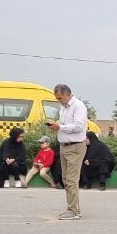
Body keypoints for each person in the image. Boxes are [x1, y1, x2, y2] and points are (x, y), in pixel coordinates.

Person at [48, 84, 88, 219]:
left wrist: (60, 127)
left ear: (68, 94)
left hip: (75, 146)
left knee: (71, 180)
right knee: (66, 179)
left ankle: (73, 211)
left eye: (60, 98)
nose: (59, 101)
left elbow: (79, 126)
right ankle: (75, 208)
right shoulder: (63, 107)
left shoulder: (78, 106)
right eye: (57, 98)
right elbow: (63, 124)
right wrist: (56, 126)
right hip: (64, 146)